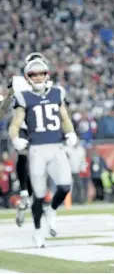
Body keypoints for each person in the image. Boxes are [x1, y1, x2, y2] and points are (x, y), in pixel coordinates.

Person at [8, 57, 78, 248]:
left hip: (56, 146)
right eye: (34, 74)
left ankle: (52, 210)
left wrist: (71, 132)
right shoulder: (23, 96)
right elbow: (15, 124)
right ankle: (38, 230)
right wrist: (15, 138)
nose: (38, 77)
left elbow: (64, 117)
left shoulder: (57, 92)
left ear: (47, 75)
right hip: (37, 149)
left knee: (65, 186)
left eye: (40, 74)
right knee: (38, 194)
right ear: (27, 77)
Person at [1, 52, 52, 227]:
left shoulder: (49, 85)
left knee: (39, 166)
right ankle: (24, 192)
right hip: (22, 127)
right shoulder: (17, 82)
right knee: (23, 156)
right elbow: (6, 105)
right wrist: (6, 102)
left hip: (40, 129)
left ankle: (31, 196)